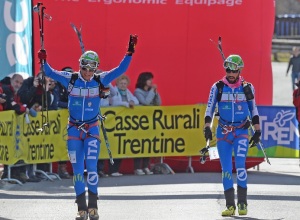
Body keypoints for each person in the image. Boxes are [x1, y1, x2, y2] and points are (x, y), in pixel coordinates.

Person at [37, 34, 138, 220]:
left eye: (92, 70)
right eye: (85, 69)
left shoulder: (100, 80)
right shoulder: (71, 79)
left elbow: (120, 69)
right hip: (74, 129)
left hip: (92, 129)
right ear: (80, 66)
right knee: (77, 170)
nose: (88, 73)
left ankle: (93, 207)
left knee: (91, 168)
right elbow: (49, 72)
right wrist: (43, 60)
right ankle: (81, 208)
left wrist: (129, 52)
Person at [203, 55, 261, 216]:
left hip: (242, 132)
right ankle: (230, 205)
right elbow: (209, 108)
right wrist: (207, 127)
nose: (230, 73)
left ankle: (242, 203)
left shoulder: (247, 87)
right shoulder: (218, 87)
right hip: (223, 133)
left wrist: (258, 131)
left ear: (239, 70)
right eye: (227, 69)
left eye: (233, 70)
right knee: (226, 169)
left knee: (241, 166)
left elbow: (254, 110)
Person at [109, 75, 139, 177]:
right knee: (115, 145)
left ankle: (116, 170)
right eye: (121, 83)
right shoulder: (114, 91)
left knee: (122, 145)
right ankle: (113, 170)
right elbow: (114, 102)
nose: (123, 85)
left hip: (125, 123)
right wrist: (126, 104)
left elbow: (136, 101)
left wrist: (132, 102)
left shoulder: (128, 92)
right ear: (117, 83)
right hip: (115, 122)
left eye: (125, 83)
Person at [133, 72, 161, 175]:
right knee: (139, 143)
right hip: (140, 121)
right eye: (149, 79)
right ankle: (137, 167)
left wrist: (155, 92)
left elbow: (158, 103)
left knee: (148, 144)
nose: (151, 82)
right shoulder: (138, 92)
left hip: (150, 121)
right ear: (144, 80)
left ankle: (145, 166)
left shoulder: (151, 91)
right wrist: (152, 92)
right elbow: (145, 102)